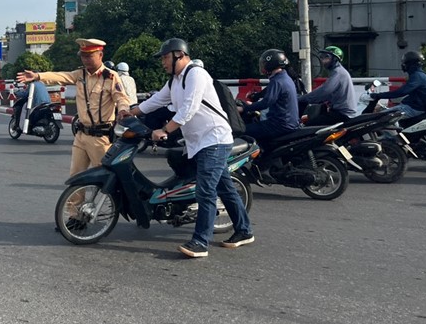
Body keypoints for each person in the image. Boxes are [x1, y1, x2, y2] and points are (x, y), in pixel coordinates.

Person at [150, 38, 254, 258]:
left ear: (179, 54)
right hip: (200, 142)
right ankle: (244, 231)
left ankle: (200, 242)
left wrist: (166, 130)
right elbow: (157, 100)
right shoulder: (175, 81)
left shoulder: (196, 74)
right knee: (224, 188)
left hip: (214, 139)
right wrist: (132, 112)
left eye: (166, 58)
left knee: (205, 190)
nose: (163, 63)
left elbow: (188, 109)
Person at [17, 38, 130, 177]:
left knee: (106, 178)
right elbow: (61, 76)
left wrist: (123, 109)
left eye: (89, 56)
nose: (85, 60)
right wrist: (38, 75)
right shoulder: (80, 75)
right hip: (81, 135)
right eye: (83, 56)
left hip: (100, 138)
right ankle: (74, 200)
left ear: (100, 55)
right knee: (75, 177)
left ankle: (113, 199)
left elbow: (121, 97)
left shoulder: (111, 77)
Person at [238, 49, 300, 147]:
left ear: (270, 64)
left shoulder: (277, 81)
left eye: (264, 64)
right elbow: (268, 97)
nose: (262, 66)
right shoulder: (285, 78)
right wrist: (254, 102)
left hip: (279, 125)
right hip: (288, 123)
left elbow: (266, 103)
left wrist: (244, 108)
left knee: (242, 131)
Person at [366, 50, 426, 118]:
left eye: (405, 63)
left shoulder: (417, 76)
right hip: (414, 107)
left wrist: (378, 95)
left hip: (414, 109)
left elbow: (401, 92)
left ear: (410, 64)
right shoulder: (420, 75)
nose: (403, 65)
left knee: (378, 118)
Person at [300, 46, 356, 125]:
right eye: (322, 57)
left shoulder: (338, 73)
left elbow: (324, 91)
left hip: (342, 114)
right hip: (339, 112)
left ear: (335, 59)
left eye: (327, 57)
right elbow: (327, 95)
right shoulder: (336, 72)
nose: (323, 61)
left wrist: (303, 98)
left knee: (309, 126)